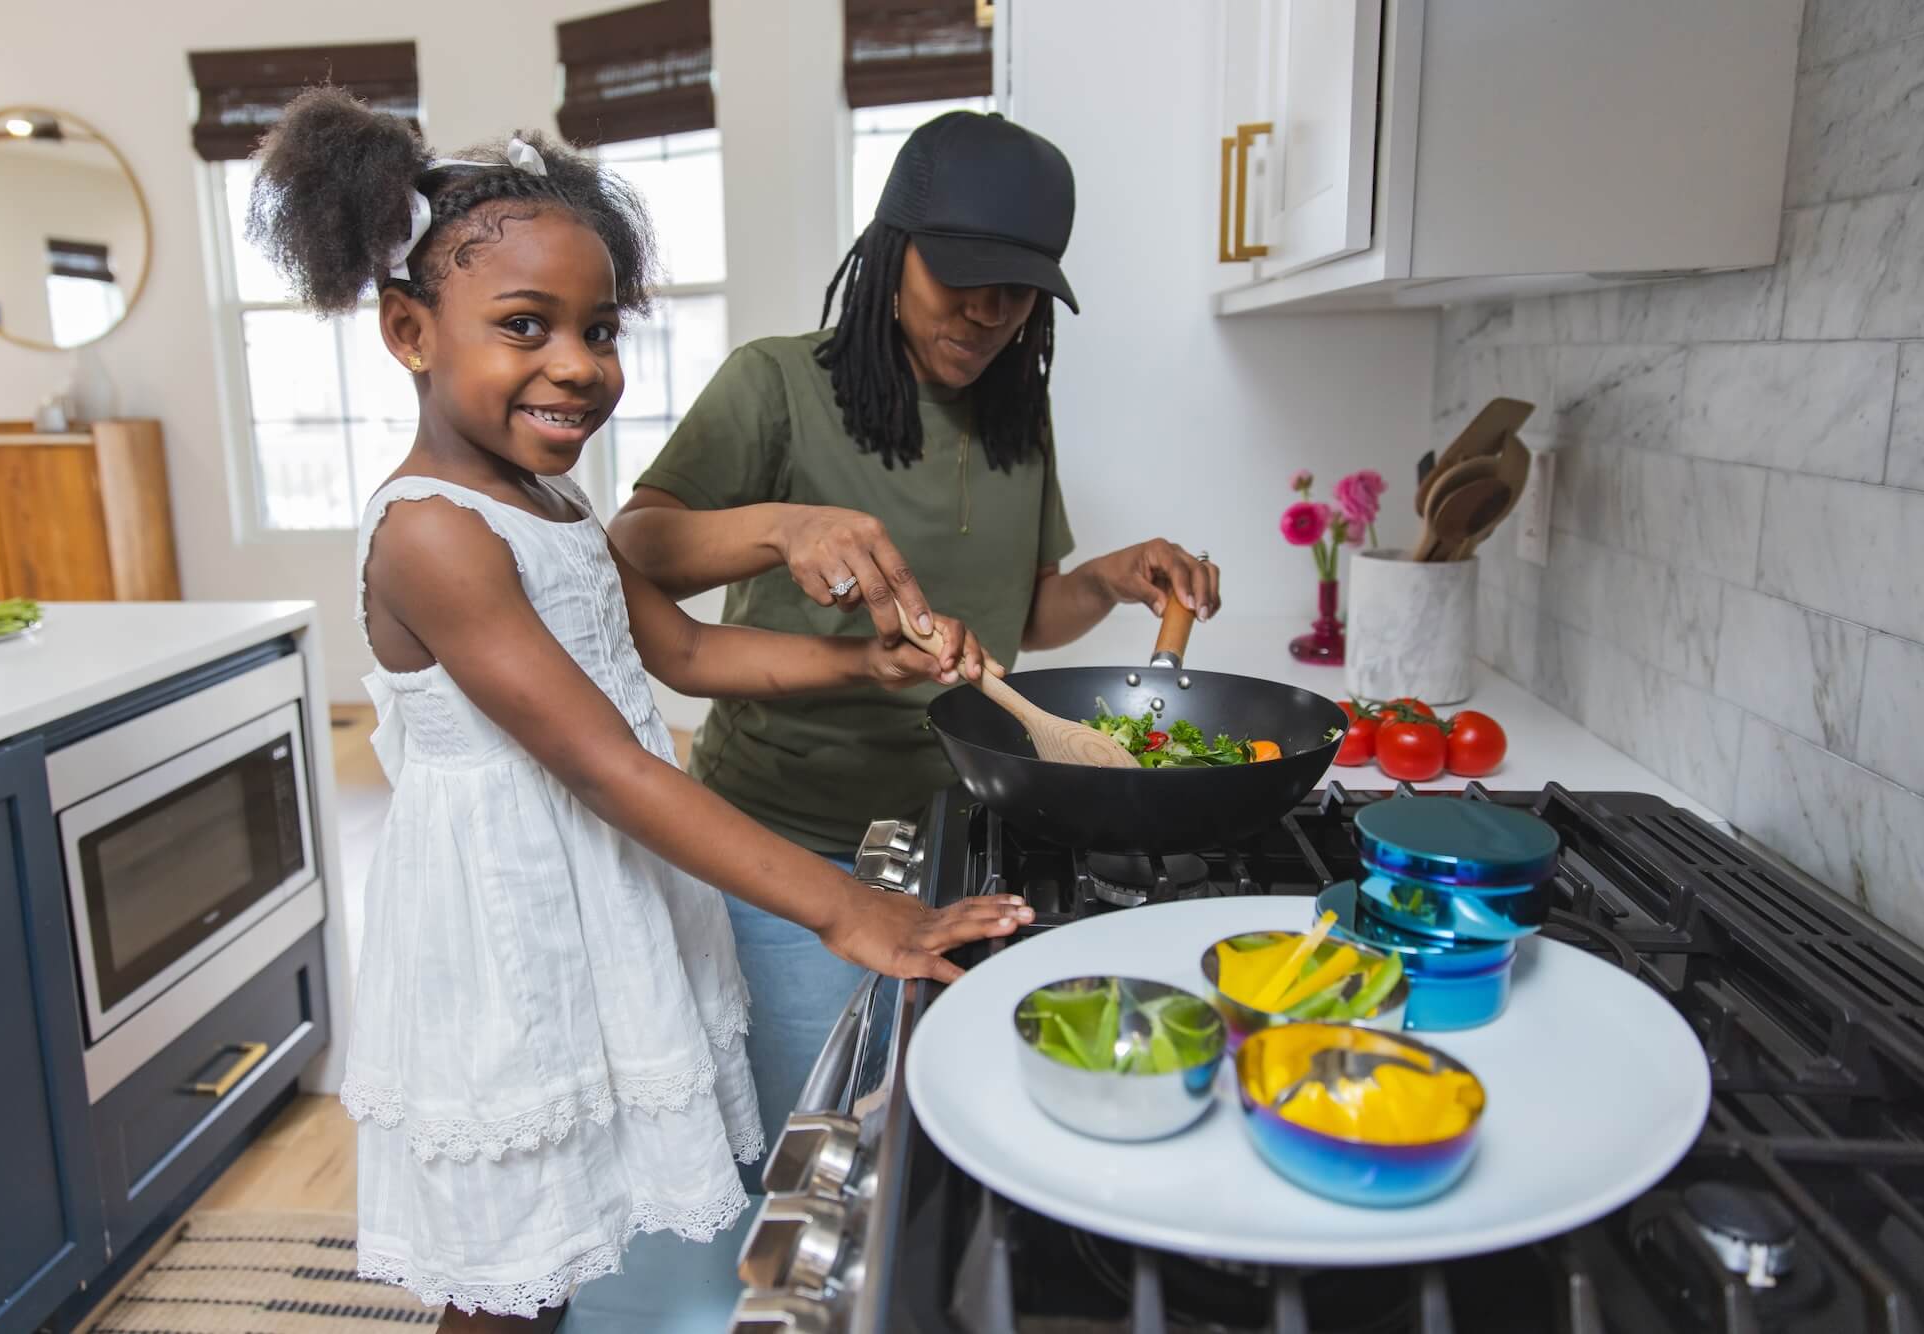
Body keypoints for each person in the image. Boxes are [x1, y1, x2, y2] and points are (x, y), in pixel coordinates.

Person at [244, 89, 1032, 1328]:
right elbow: (613, 765)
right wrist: (848, 909)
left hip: (600, 895)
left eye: (598, 329)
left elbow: (678, 650)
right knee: (513, 1268)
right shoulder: (432, 535)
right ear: (408, 329)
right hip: (506, 932)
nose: (576, 364)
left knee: (581, 1230)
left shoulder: (554, 506)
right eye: (523, 325)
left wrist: (862, 666)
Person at [608, 112, 1225, 1156]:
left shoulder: (1015, 416)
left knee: (911, 1138)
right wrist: (779, 526)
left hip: (961, 843)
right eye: (961, 279)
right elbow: (636, 545)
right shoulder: (775, 384)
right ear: (893, 253)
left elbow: (1024, 611)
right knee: (801, 1140)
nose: (986, 314)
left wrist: (1111, 579)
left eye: (1016, 291)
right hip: (787, 844)